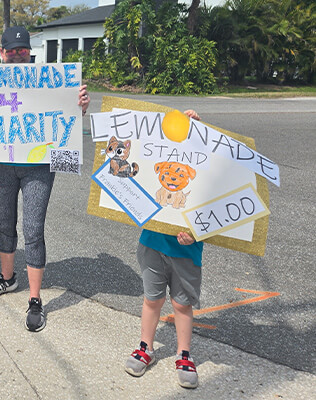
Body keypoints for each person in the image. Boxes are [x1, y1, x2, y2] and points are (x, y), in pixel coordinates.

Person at [0, 26, 91, 332]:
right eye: (11, 50)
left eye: (22, 49)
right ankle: (8, 278)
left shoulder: (51, 82)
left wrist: (79, 105)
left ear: (30, 51)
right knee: (4, 222)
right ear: (2, 53)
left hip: (38, 166)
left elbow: (66, 124)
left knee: (33, 228)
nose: (16, 54)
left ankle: (35, 298)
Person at [124, 110, 203, 389]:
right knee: (152, 299)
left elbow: (212, 200)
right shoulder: (154, 158)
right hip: (152, 243)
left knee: (182, 304)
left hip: (186, 250)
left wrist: (197, 234)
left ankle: (184, 354)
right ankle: (146, 347)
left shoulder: (202, 167)